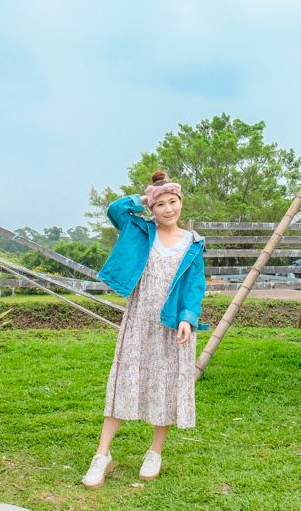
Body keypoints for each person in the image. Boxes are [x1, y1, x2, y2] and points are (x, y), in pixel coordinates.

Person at [81, 170, 208, 490]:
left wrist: (187, 318)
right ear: (151, 209)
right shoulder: (139, 228)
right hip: (139, 319)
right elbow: (115, 210)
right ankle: (102, 455)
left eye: (173, 201)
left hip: (171, 324)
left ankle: (155, 451)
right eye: (161, 204)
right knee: (124, 381)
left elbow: (195, 285)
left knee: (165, 385)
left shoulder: (194, 243)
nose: (168, 209)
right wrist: (146, 195)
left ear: (182, 203)